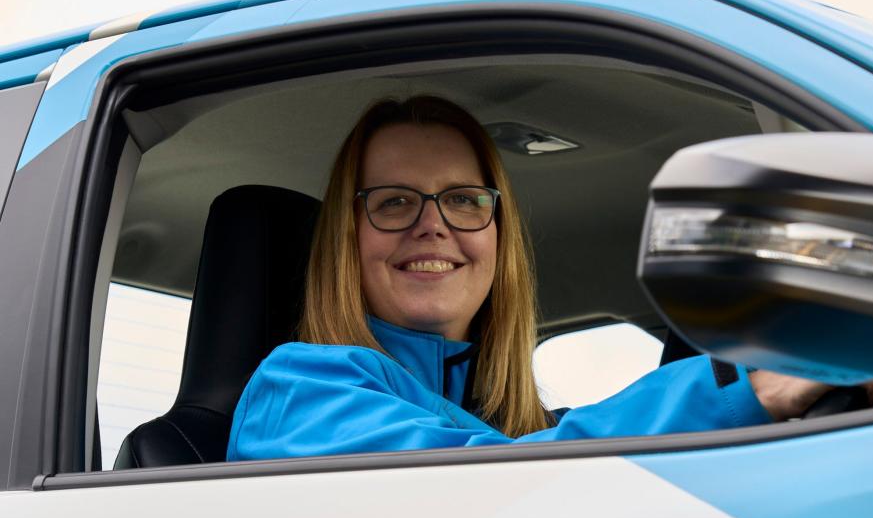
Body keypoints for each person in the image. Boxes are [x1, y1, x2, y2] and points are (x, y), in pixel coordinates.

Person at [226, 96, 836, 462]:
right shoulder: (300, 397)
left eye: (464, 200)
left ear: (498, 237)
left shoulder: (522, 428)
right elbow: (497, 483)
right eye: (392, 203)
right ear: (345, 240)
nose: (432, 226)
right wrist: (744, 388)